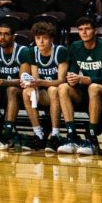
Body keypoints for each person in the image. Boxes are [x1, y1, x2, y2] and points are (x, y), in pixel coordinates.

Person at [57, 17, 102, 155]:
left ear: (95, 31)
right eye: (81, 29)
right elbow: (73, 71)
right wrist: (71, 79)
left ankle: (92, 139)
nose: (84, 32)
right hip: (85, 89)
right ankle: (72, 136)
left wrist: (84, 79)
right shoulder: (75, 46)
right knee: (62, 87)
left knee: (93, 87)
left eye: (87, 29)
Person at [20, 21, 69, 152]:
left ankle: (55, 135)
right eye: (38, 38)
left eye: (45, 38)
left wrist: (40, 82)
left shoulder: (60, 51)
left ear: (51, 38)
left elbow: (61, 80)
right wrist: (30, 83)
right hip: (44, 93)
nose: (41, 41)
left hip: (61, 93)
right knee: (27, 92)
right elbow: (36, 79)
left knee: (53, 89)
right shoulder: (32, 52)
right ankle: (38, 134)